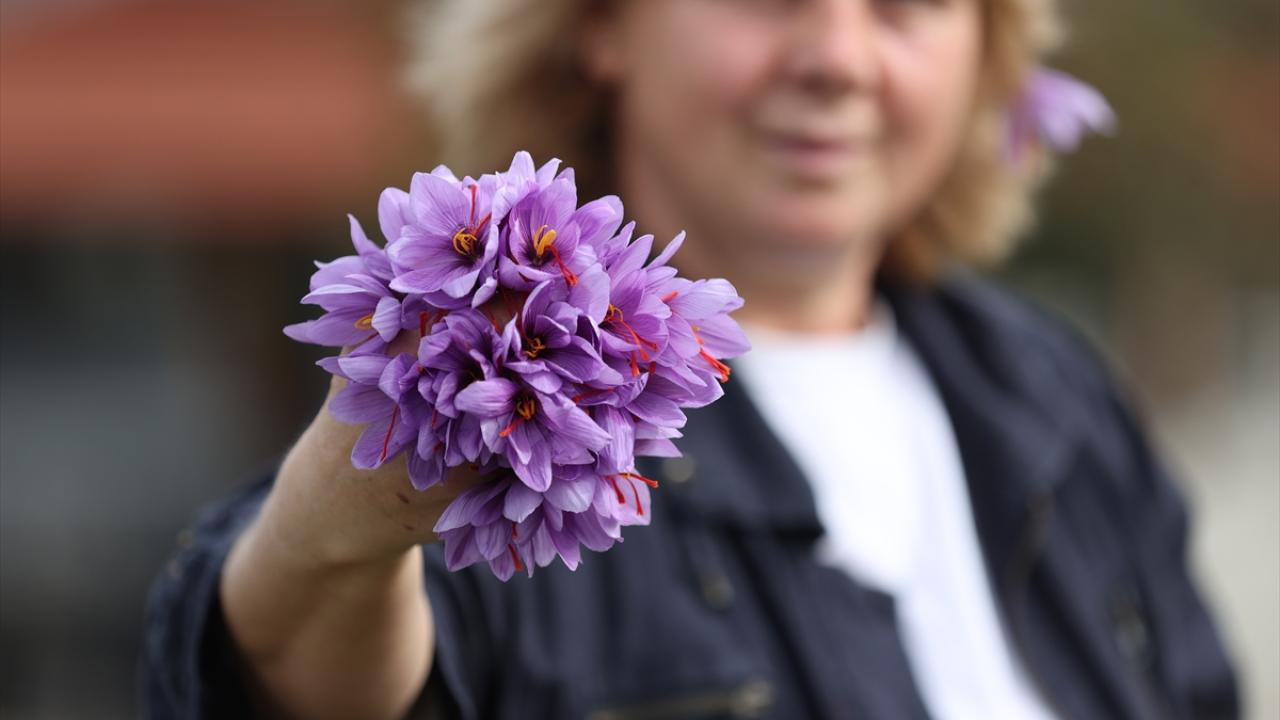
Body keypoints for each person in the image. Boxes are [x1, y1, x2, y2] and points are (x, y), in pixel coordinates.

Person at [141, 0, 1240, 718]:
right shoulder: (489, 404)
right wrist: (327, 538)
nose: (837, 58)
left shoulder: (1048, 392)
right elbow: (291, 672)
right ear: (599, 26)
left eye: (906, 6)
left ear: (981, 54)